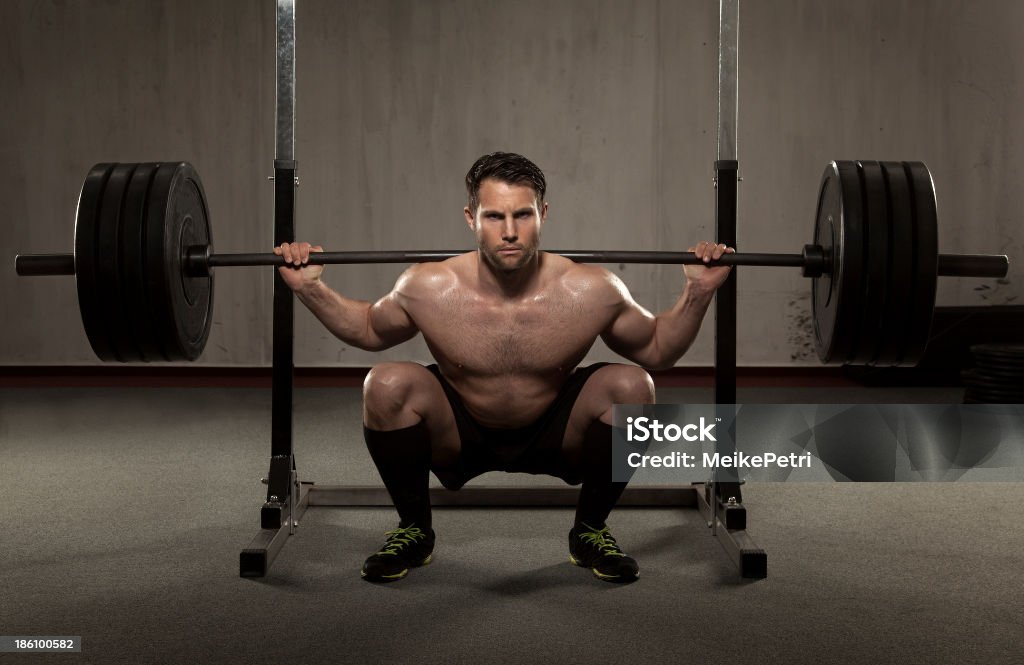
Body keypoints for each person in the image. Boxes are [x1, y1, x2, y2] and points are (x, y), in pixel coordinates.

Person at [274, 152, 734, 584]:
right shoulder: (427, 285)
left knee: (634, 384)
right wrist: (309, 289)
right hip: (459, 434)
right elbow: (370, 329)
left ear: (543, 214)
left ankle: (590, 531)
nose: (509, 231)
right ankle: (414, 530)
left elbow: (657, 350)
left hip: (556, 432)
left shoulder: (590, 288)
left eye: (523, 215)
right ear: (472, 218)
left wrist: (699, 292)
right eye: (495, 216)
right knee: (385, 383)